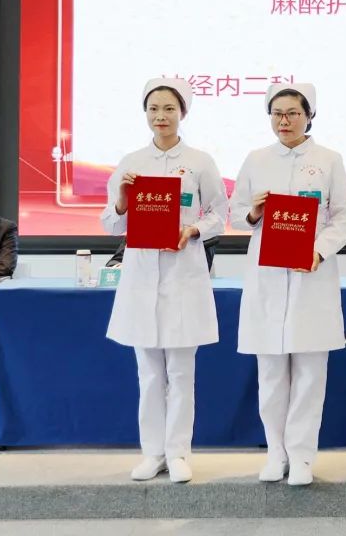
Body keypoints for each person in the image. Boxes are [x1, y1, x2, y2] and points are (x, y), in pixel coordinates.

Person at [101, 78, 227, 484]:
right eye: (153, 108)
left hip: (183, 274)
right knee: (150, 374)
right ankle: (152, 453)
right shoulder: (131, 162)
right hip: (141, 278)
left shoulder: (200, 161)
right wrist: (123, 200)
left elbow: (219, 213)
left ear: (182, 113)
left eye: (169, 108)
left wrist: (194, 230)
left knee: (182, 373)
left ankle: (178, 453)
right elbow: (111, 223)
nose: (161, 116)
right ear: (145, 113)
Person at [231, 83, 346, 487]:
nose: (284, 121)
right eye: (277, 114)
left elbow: (345, 217)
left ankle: (302, 456)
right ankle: (276, 453)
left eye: (292, 113)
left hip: (311, 276)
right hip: (268, 278)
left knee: (309, 376)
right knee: (270, 375)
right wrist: (253, 212)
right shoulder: (256, 159)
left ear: (309, 116)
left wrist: (318, 250)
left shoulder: (329, 160)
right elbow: (235, 214)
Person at [106, 236, 220, 271]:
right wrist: (124, 267)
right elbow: (113, 264)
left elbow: (199, 271)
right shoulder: (139, 232)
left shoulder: (203, 238)